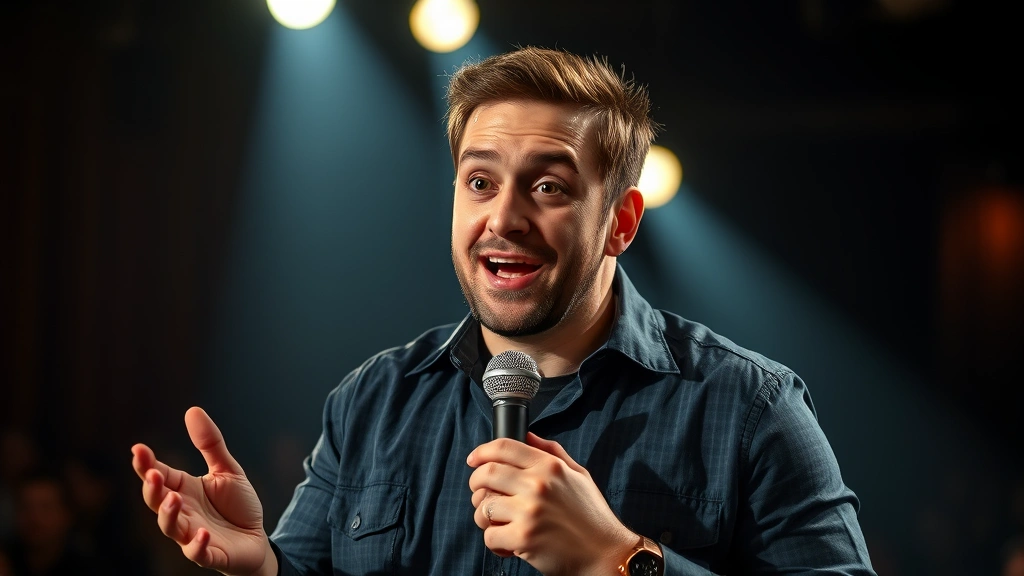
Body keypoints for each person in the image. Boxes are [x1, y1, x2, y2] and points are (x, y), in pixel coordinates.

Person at [130, 46, 875, 575]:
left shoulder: (753, 407)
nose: (505, 218)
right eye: (481, 183)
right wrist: (261, 566)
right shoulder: (372, 400)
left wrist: (617, 560)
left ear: (621, 221)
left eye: (548, 188)